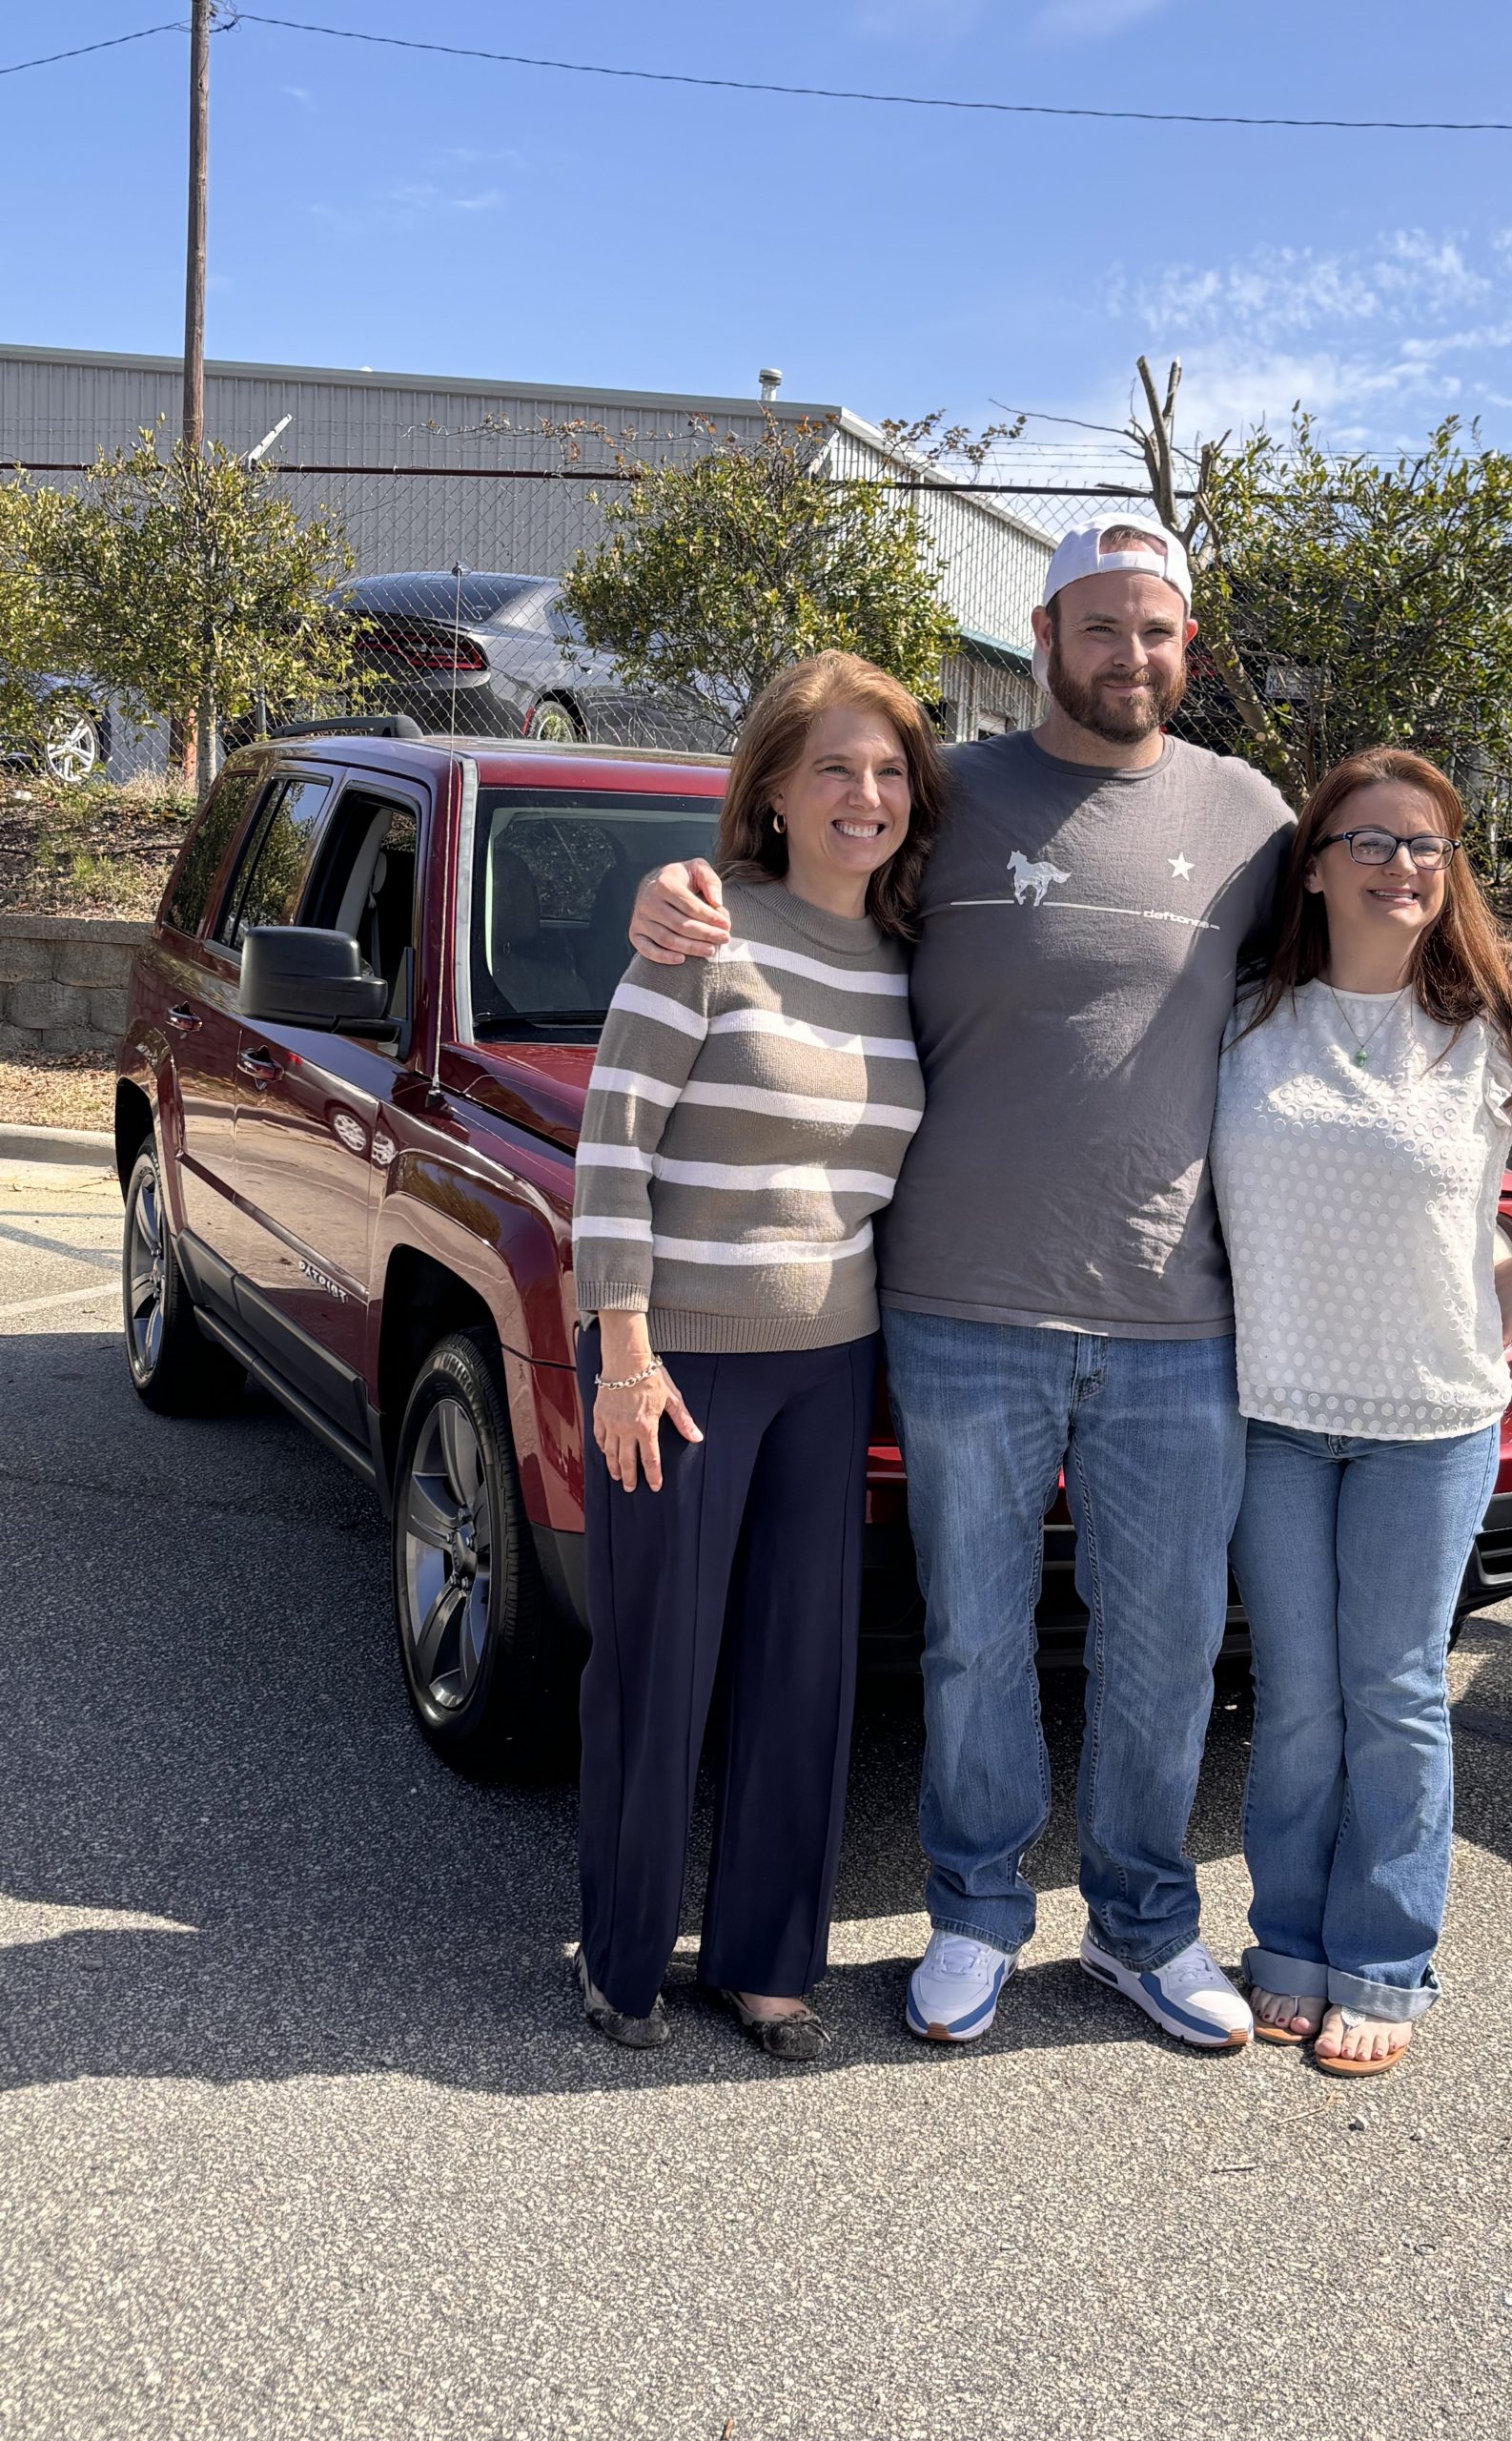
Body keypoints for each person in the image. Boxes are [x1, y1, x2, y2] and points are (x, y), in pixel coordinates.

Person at [629, 516, 1512, 2053]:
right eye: (1099, 625)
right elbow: (803, 874)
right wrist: (677, 885)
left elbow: (1386, 900)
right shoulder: (949, 798)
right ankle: (974, 1917)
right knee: (973, 1639)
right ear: (1045, 634)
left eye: (1154, 629)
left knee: (1164, 1648)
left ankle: (1142, 1930)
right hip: (959, 1309)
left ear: (1184, 646)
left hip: (1177, 1321)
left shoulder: (1250, 814)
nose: (1127, 654)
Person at [1215, 747, 1512, 2075]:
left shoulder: (1491, 1023)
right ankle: (1286, 1945)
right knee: (1296, 1700)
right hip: (1272, 1414)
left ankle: (1382, 1963)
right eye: (1369, 842)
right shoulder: (1245, 1014)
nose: (1402, 866)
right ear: (1314, 867)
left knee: (1396, 1692)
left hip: (1429, 1420)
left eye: (1428, 844)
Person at [571, 651, 941, 2061]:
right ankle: (621, 1959)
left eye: (889, 770)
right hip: (680, 1366)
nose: (865, 794)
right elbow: (612, 1150)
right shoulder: (702, 940)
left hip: (831, 1364)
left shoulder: (907, 963)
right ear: (774, 790)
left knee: (803, 1670)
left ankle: (768, 1963)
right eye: (834, 766)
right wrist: (623, 1352)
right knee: (658, 1667)